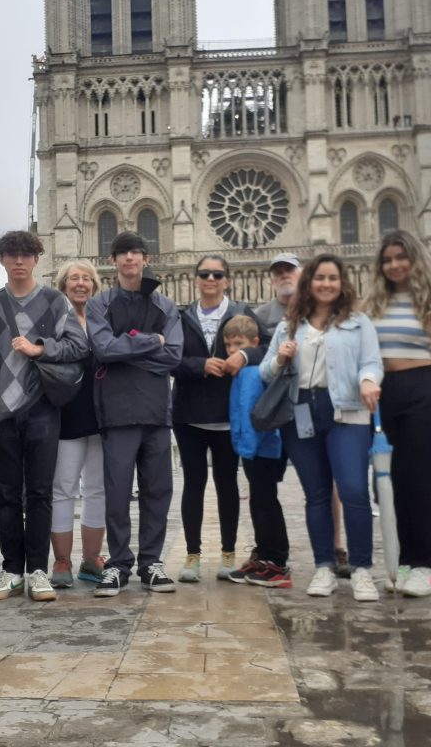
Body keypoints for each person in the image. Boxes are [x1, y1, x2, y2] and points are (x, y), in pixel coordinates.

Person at [0, 231, 89, 602]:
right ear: (2, 261)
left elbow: (78, 346)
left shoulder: (55, 301)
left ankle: (38, 570)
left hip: (41, 408)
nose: (18, 261)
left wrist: (40, 349)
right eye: (11, 255)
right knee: (5, 495)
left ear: (37, 259)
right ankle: (11, 570)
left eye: (25, 254)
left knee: (40, 493)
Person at [260, 254, 383, 602]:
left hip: (347, 409)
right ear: (309, 282)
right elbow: (265, 373)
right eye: (320, 278)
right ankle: (324, 567)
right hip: (301, 411)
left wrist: (369, 380)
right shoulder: (289, 325)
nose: (327, 284)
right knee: (315, 494)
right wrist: (280, 358)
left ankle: (360, 569)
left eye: (333, 278)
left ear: (342, 283)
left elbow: (371, 361)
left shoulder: (359, 322)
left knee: (354, 491)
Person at [87, 231, 183, 597]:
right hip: (117, 410)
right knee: (116, 492)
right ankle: (119, 563)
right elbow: (104, 348)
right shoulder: (100, 305)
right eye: (122, 252)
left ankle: (151, 562)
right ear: (113, 261)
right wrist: (149, 341)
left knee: (158, 490)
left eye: (136, 252)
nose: (129, 258)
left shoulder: (166, 307)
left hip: (157, 411)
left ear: (146, 259)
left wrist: (128, 345)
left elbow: (173, 355)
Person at [363, 230, 431, 598]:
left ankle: (427, 565)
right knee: (390, 483)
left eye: (401, 257)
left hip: (424, 389)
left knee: (426, 482)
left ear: (416, 260)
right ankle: (403, 559)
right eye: (387, 259)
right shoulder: (371, 306)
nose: (395, 265)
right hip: (385, 394)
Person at [172, 256, 269, 583]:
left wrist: (242, 356)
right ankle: (192, 555)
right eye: (204, 274)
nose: (210, 278)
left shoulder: (241, 312)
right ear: (196, 279)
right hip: (189, 415)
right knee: (193, 485)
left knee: (227, 485)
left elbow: (266, 347)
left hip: (229, 413)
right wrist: (199, 365)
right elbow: (170, 359)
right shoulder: (182, 315)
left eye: (216, 274)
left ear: (226, 279)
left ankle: (228, 554)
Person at [50, 260, 106, 587]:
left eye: (87, 278)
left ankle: (91, 559)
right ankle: (61, 561)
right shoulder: (55, 319)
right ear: (63, 285)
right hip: (66, 412)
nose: (81, 283)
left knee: (98, 489)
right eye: (74, 278)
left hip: (101, 414)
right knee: (64, 488)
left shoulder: (103, 319)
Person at [222, 316, 289, 587]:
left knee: (265, 502)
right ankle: (263, 554)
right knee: (260, 501)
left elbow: (250, 414)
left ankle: (277, 561)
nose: (231, 351)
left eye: (237, 344)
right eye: (227, 345)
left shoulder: (250, 372)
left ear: (254, 343)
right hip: (257, 448)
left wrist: (245, 449)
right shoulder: (244, 371)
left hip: (261, 449)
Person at [255, 253, 300, 330]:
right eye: (278, 273)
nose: (285, 275)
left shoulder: (319, 310)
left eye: (289, 270)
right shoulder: (260, 316)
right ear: (272, 282)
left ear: (301, 276)